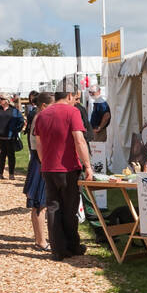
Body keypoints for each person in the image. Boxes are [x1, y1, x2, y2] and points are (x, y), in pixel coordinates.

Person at [35, 88, 91, 260]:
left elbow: (38, 142)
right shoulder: (72, 111)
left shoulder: (42, 115)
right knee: (69, 208)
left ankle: (58, 249)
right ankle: (72, 245)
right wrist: (87, 165)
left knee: (53, 208)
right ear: (68, 96)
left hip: (48, 168)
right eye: (74, 98)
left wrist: (44, 162)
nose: (75, 101)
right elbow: (79, 139)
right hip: (67, 168)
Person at [22, 91, 50, 251]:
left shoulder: (39, 117)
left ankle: (41, 238)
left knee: (41, 203)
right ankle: (40, 240)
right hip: (40, 162)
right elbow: (39, 145)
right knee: (40, 202)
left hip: (39, 161)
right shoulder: (40, 118)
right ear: (44, 106)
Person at [0, 94, 24, 179]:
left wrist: (16, 130)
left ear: (7, 100)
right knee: (1, 156)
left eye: (2, 99)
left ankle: (11, 174)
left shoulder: (14, 111)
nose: (0, 100)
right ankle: (0, 174)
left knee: (11, 156)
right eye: (0, 99)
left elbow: (21, 121)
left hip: (10, 137)